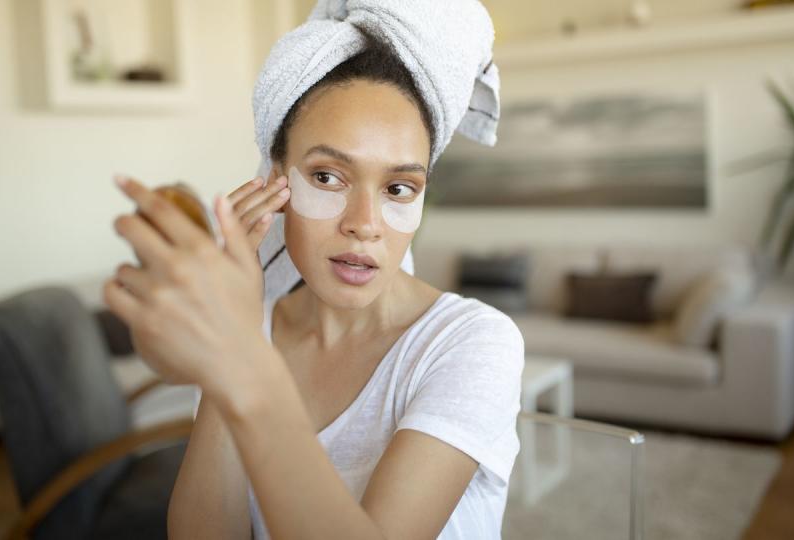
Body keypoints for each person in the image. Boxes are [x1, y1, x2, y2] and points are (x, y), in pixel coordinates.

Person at [106, 5, 523, 540]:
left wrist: (241, 360)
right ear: (274, 183)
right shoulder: (247, 334)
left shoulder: (472, 343)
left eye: (399, 188)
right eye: (328, 176)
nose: (365, 225)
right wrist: (240, 336)